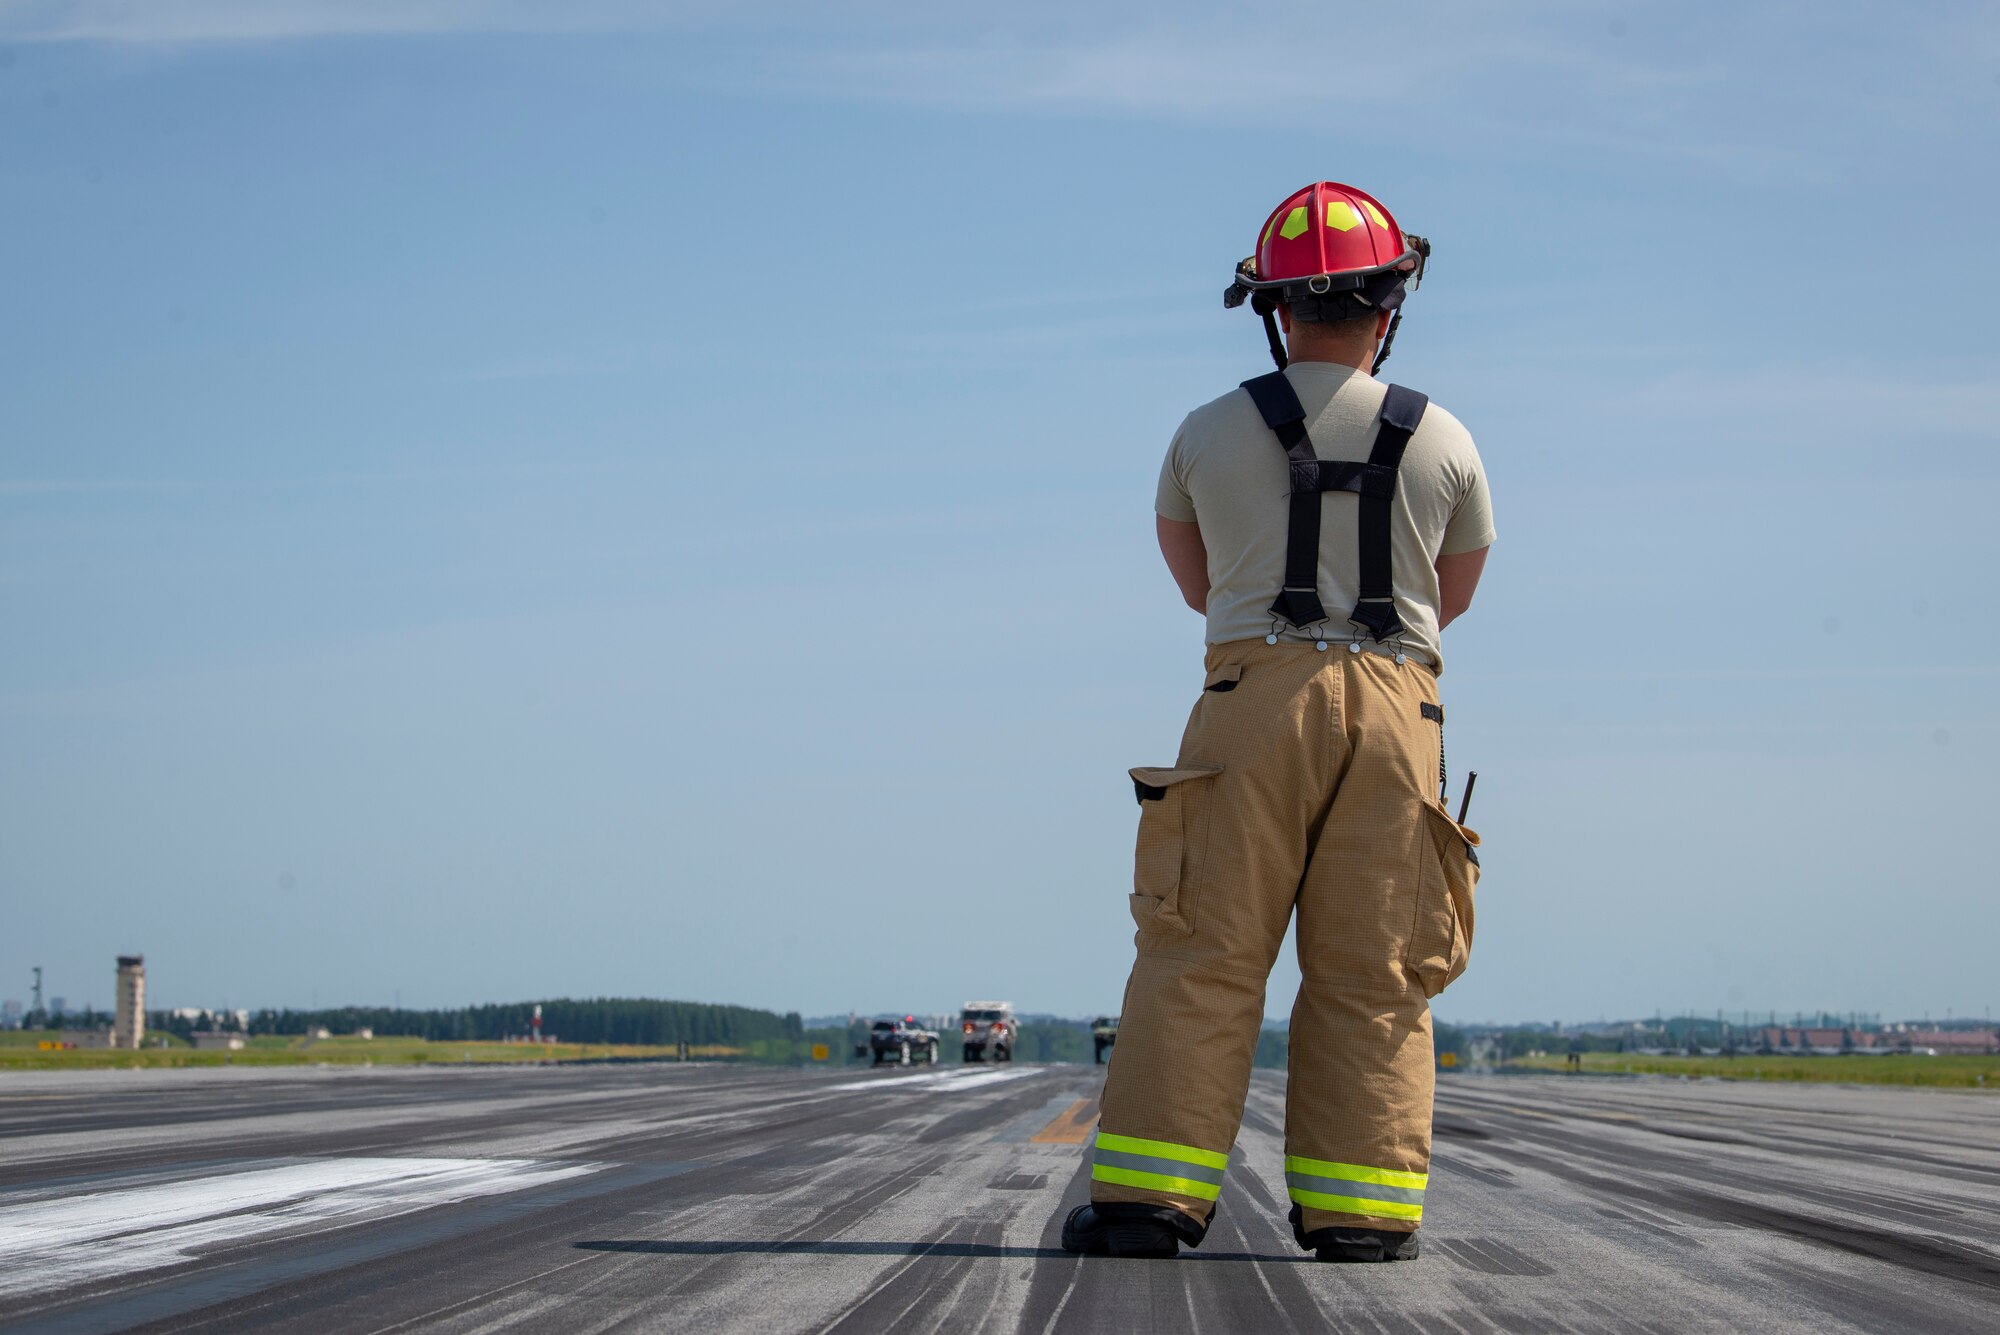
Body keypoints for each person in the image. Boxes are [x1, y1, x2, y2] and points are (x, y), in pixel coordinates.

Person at [1061, 181, 1494, 1262]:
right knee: (1378, 967)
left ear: (1273, 307)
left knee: (1199, 949)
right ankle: (1361, 1212)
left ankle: (1146, 1204)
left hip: (1250, 697)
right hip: (1400, 710)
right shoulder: (1444, 439)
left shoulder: (1203, 433)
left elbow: (1194, 582)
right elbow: (1458, 591)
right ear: (1388, 305)